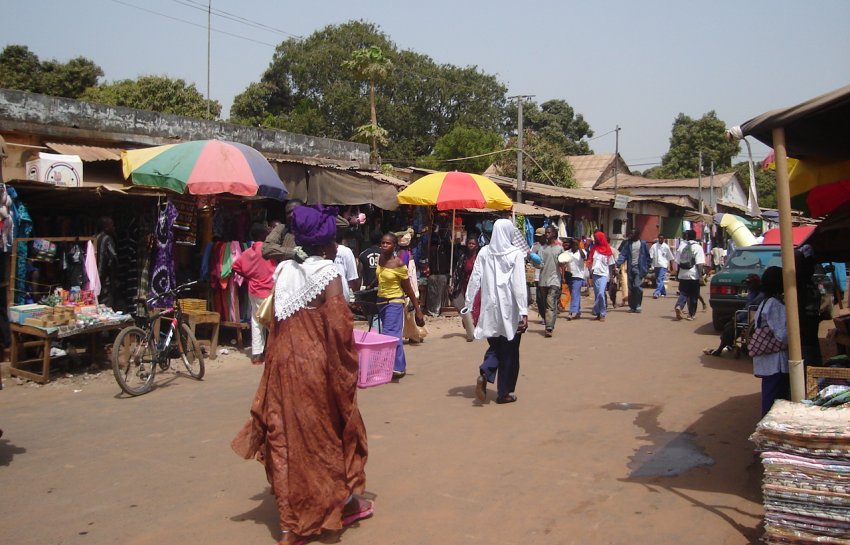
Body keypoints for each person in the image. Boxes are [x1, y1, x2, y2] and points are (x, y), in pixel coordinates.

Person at [231, 205, 373, 545]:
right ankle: (330, 507)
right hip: (316, 371)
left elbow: (277, 322)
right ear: (325, 243)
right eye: (333, 239)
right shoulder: (327, 273)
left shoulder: (283, 270)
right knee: (326, 439)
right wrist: (346, 373)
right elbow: (339, 330)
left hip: (281, 367)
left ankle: (288, 525)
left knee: (284, 440)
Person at [465, 219, 528, 404]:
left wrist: (468, 304)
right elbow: (518, 284)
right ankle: (504, 392)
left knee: (495, 346)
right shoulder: (516, 253)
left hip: (490, 309)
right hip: (511, 310)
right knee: (510, 351)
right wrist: (523, 311)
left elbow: (475, 277)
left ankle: (485, 371)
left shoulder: (484, 252)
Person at [377, 232, 424, 378]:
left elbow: (408, 288)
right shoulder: (380, 260)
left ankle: (394, 368)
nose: (385, 245)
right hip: (381, 302)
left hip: (395, 302)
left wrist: (418, 310)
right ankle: (400, 366)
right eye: (383, 242)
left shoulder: (399, 264)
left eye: (388, 243)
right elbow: (380, 278)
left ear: (394, 246)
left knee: (389, 334)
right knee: (393, 334)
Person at [232, 224, 277, 365]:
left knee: (257, 321)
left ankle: (257, 354)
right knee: (273, 322)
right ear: (264, 235)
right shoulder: (269, 250)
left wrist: (249, 276)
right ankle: (273, 351)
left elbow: (235, 266)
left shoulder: (249, 252)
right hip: (269, 290)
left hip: (254, 290)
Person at [751, 266, 790, 417]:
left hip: (768, 359)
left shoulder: (765, 302)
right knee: (774, 400)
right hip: (776, 361)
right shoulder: (774, 304)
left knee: (770, 396)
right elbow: (782, 335)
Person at [704, 274, 764, 357]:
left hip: (751, 317)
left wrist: (737, 317)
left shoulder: (759, 295)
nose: (748, 285)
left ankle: (721, 348)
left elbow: (749, 309)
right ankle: (729, 345)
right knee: (728, 322)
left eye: (749, 283)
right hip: (748, 315)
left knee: (730, 327)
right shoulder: (752, 292)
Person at [535, 226, 564, 336]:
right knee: (544, 304)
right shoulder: (542, 249)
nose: (546, 234)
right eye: (546, 233)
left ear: (553, 234)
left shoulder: (559, 249)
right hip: (543, 280)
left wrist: (563, 276)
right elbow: (540, 264)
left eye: (548, 232)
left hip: (555, 280)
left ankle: (549, 327)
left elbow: (562, 264)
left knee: (550, 302)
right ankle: (549, 321)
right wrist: (534, 261)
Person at [450, 236, 479, 341]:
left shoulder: (480, 258)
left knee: (477, 307)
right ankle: (470, 330)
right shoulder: (463, 257)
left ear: (477, 246)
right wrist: (453, 284)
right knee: (467, 307)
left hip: (478, 286)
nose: (471, 245)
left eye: (473, 244)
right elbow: (457, 272)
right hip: (466, 286)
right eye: (469, 243)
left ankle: (477, 329)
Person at [616, 228, 651, 313]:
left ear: (637, 235)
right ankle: (632, 306)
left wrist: (647, 268)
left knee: (637, 286)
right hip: (630, 268)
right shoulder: (628, 244)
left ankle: (638, 305)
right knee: (631, 288)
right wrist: (618, 263)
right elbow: (623, 254)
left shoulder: (642, 244)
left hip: (639, 269)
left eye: (632, 234)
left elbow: (647, 256)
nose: (630, 235)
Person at [674, 230, 706, 321]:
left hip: (683, 274)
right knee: (693, 295)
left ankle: (679, 306)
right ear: (695, 237)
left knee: (683, 292)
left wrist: (678, 274)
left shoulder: (682, 246)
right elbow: (700, 264)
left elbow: (677, 262)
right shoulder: (698, 247)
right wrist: (700, 277)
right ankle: (691, 315)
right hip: (694, 275)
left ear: (687, 237)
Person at [587, 231, 616, 322]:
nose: (595, 240)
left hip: (604, 275)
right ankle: (598, 314)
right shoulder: (594, 249)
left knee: (601, 293)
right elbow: (590, 260)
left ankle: (603, 312)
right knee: (597, 295)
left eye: (597, 238)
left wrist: (612, 277)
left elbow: (611, 264)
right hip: (595, 274)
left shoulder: (608, 250)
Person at [95, 216, 118, 308]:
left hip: (94, 277)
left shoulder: (94, 238)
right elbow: (113, 258)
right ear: (105, 227)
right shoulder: (107, 239)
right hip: (105, 279)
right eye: (112, 225)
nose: (114, 228)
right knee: (106, 304)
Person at [563, 238, 587, 320]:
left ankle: (572, 312)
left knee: (574, 293)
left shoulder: (582, 252)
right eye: (574, 244)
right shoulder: (567, 253)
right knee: (574, 294)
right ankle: (578, 311)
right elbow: (563, 263)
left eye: (577, 244)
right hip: (569, 275)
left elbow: (584, 257)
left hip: (578, 275)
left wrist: (580, 248)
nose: (575, 246)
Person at [333, 234, 360, 301]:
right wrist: (358, 297)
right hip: (342, 296)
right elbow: (352, 278)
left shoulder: (321, 250)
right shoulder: (346, 251)